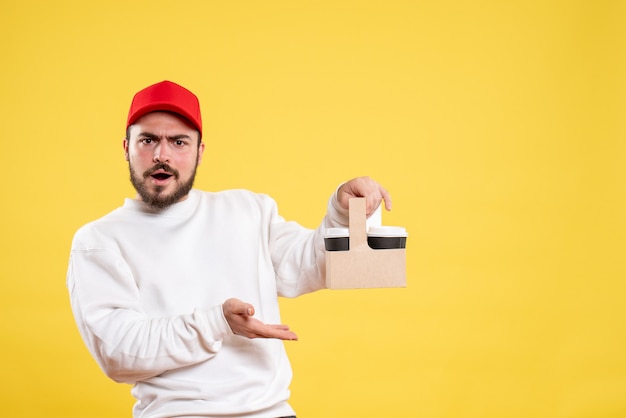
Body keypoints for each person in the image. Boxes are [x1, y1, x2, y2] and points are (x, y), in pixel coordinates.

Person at [67, 80, 392, 418]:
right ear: (126, 147)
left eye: (179, 142)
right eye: (148, 140)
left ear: (200, 152)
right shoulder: (98, 241)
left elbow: (310, 266)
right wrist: (217, 323)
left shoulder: (248, 210)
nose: (161, 155)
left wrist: (341, 213)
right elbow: (119, 355)